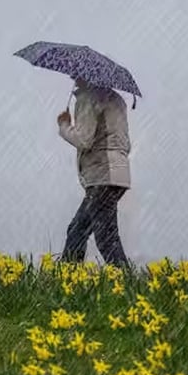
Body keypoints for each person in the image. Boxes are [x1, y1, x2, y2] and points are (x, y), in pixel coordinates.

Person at [56, 76, 132, 269]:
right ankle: (70, 278)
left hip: (102, 175)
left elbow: (84, 139)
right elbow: (126, 143)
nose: (72, 76)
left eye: (75, 73)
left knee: (105, 236)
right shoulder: (116, 99)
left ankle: (126, 282)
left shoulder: (89, 97)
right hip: (118, 175)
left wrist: (64, 125)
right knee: (77, 229)